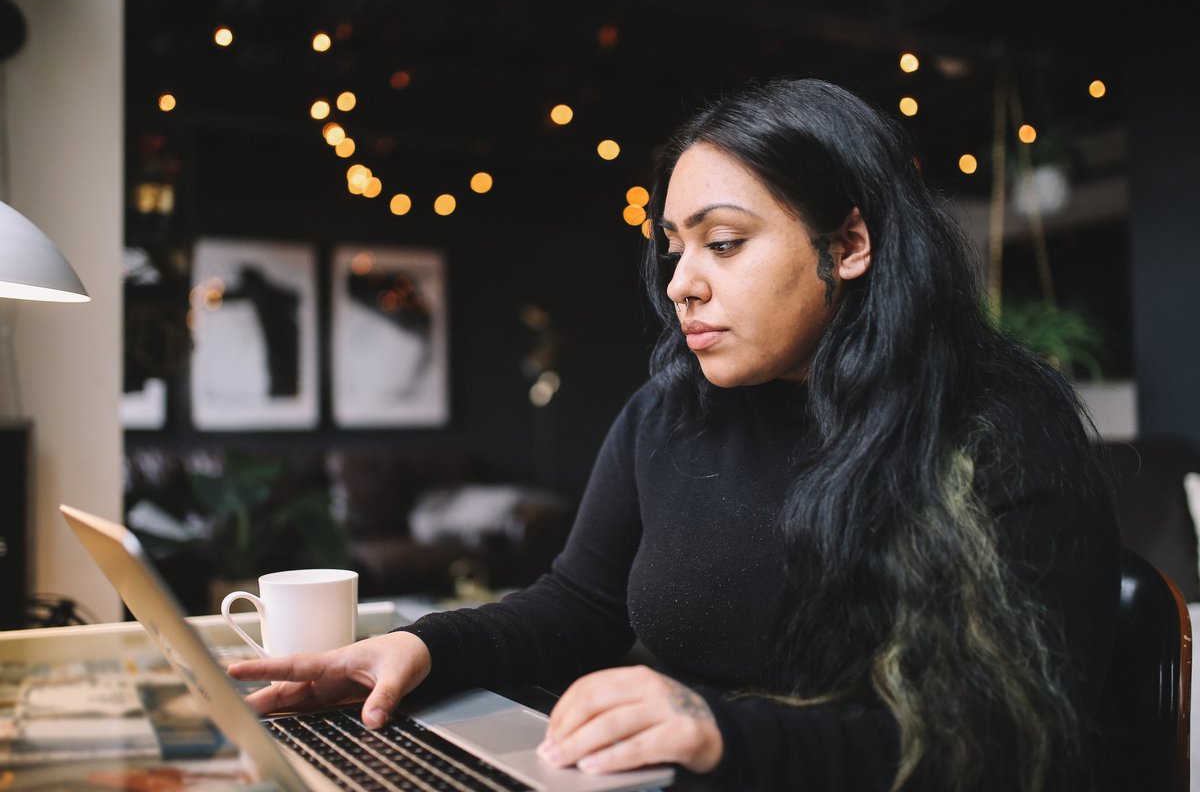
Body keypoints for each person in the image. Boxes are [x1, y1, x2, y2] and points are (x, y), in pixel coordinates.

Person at [230, 78, 1120, 791]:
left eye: (723, 243)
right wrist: (423, 647)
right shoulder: (669, 412)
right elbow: (581, 605)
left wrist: (715, 733)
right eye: (673, 246)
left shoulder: (998, 426)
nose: (681, 282)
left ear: (849, 243)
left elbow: (1000, 746)